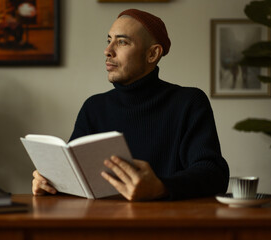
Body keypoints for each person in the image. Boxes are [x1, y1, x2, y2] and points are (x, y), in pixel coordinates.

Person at [32, 9, 230, 201]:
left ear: (152, 54)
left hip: (168, 226)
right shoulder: (94, 107)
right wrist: (51, 183)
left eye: (122, 42)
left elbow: (213, 174)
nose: (108, 51)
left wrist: (160, 187)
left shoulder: (189, 102)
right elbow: (77, 178)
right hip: (103, 227)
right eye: (109, 40)